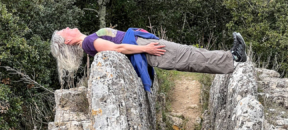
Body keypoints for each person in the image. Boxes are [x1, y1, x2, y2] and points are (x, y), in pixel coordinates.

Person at [50, 27, 247, 89]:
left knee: (187, 53)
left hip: (142, 45)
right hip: (143, 48)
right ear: (67, 40)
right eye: (64, 30)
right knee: (188, 57)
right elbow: (117, 48)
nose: (68, 28)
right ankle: (234, 57)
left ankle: (230, 57)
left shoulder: (88, 40)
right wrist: (146, 49)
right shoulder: (88, 43)